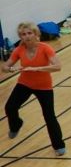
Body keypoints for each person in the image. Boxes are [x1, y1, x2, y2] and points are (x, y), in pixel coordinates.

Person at [2, 22, 66, 155]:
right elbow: (5, 67)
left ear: (36, 34)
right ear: (20, 36)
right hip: (24, 84)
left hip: (44, 87)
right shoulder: (19, 50)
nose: (27, 36)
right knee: (10, 107)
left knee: (49, 116)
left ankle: (59, 146)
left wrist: (37, 69)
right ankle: (16, 125)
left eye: (29, 33)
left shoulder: (45, 48)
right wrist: (11, 69)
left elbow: (58, 66)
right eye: (23, 34)